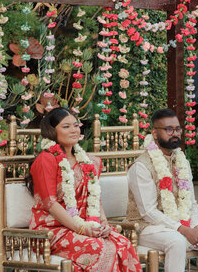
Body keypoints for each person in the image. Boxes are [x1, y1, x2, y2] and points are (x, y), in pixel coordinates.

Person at [28, 107, 141, 272]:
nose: (74, 130)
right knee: (101, 248)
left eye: (75, 125)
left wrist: (102, 224)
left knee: (123, 244)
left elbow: (94, 198)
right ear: (52, 131)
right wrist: (80, 228)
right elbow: (50, 203)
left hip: (85, 227)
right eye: (66, 127)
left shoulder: (88, 161)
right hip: (51, 232)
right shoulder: (46, 159)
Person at [127, 108, 198, 272]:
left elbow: (191, 202)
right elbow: (148, 212)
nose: (175, 134)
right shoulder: (141, 166)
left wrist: (194, 226)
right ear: (155, 133)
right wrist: (183, 229)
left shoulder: (181, 161)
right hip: (146, 228)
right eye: (168, 129)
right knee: (177, 241)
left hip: (181, 224)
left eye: (178, 129)